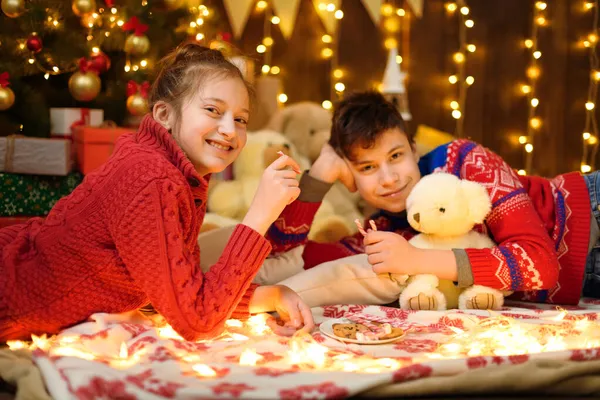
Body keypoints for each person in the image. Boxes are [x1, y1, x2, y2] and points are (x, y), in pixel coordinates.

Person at [0, 43, 314, 342]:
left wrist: (270, 295)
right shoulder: (152, 179)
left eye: (241, 119)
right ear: (164, 115)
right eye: (212, 110)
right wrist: (260, 214)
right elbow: (197, 320)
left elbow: (179, 288)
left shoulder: (178, 174)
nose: (231, 130)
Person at [266, 90, 594, 307]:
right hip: (586, 278)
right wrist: (321, 175)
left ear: (413, 149)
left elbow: (541, 264)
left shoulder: (463, 159)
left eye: (396, 156)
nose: (389, 178)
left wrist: (417, 260)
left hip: (588, 210)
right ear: (351, 178)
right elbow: (285, 253)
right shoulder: (382, 231)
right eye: (367, 167)